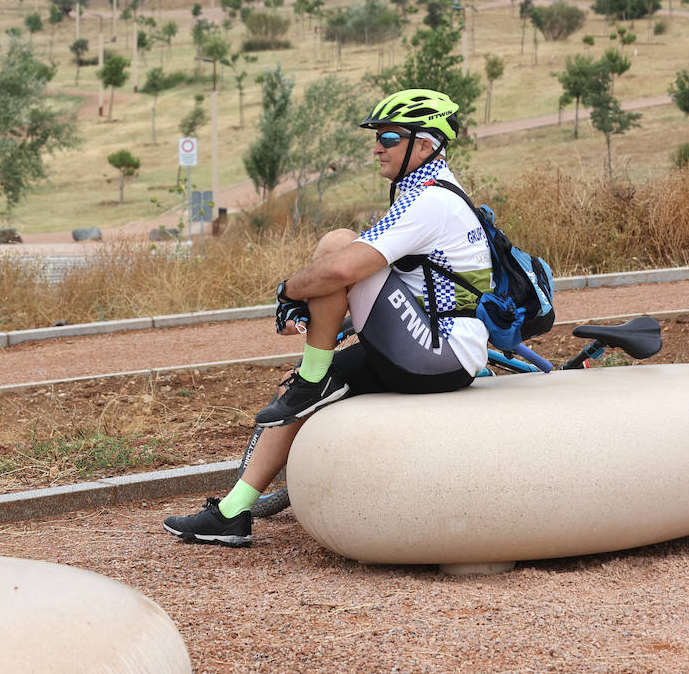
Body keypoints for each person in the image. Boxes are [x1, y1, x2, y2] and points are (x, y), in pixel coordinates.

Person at [163, 88, 493, 547]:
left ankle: (314, 376)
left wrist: (287, 291)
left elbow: (343, 268)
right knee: (292, 393)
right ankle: (232, 513)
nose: (377, 146)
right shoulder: (421, 193)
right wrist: (314, 302)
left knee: (337, 245)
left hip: (441, 351)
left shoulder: (432, 202)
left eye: (391, 137)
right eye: (378, 136)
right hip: (423, 343)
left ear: (425, 145)